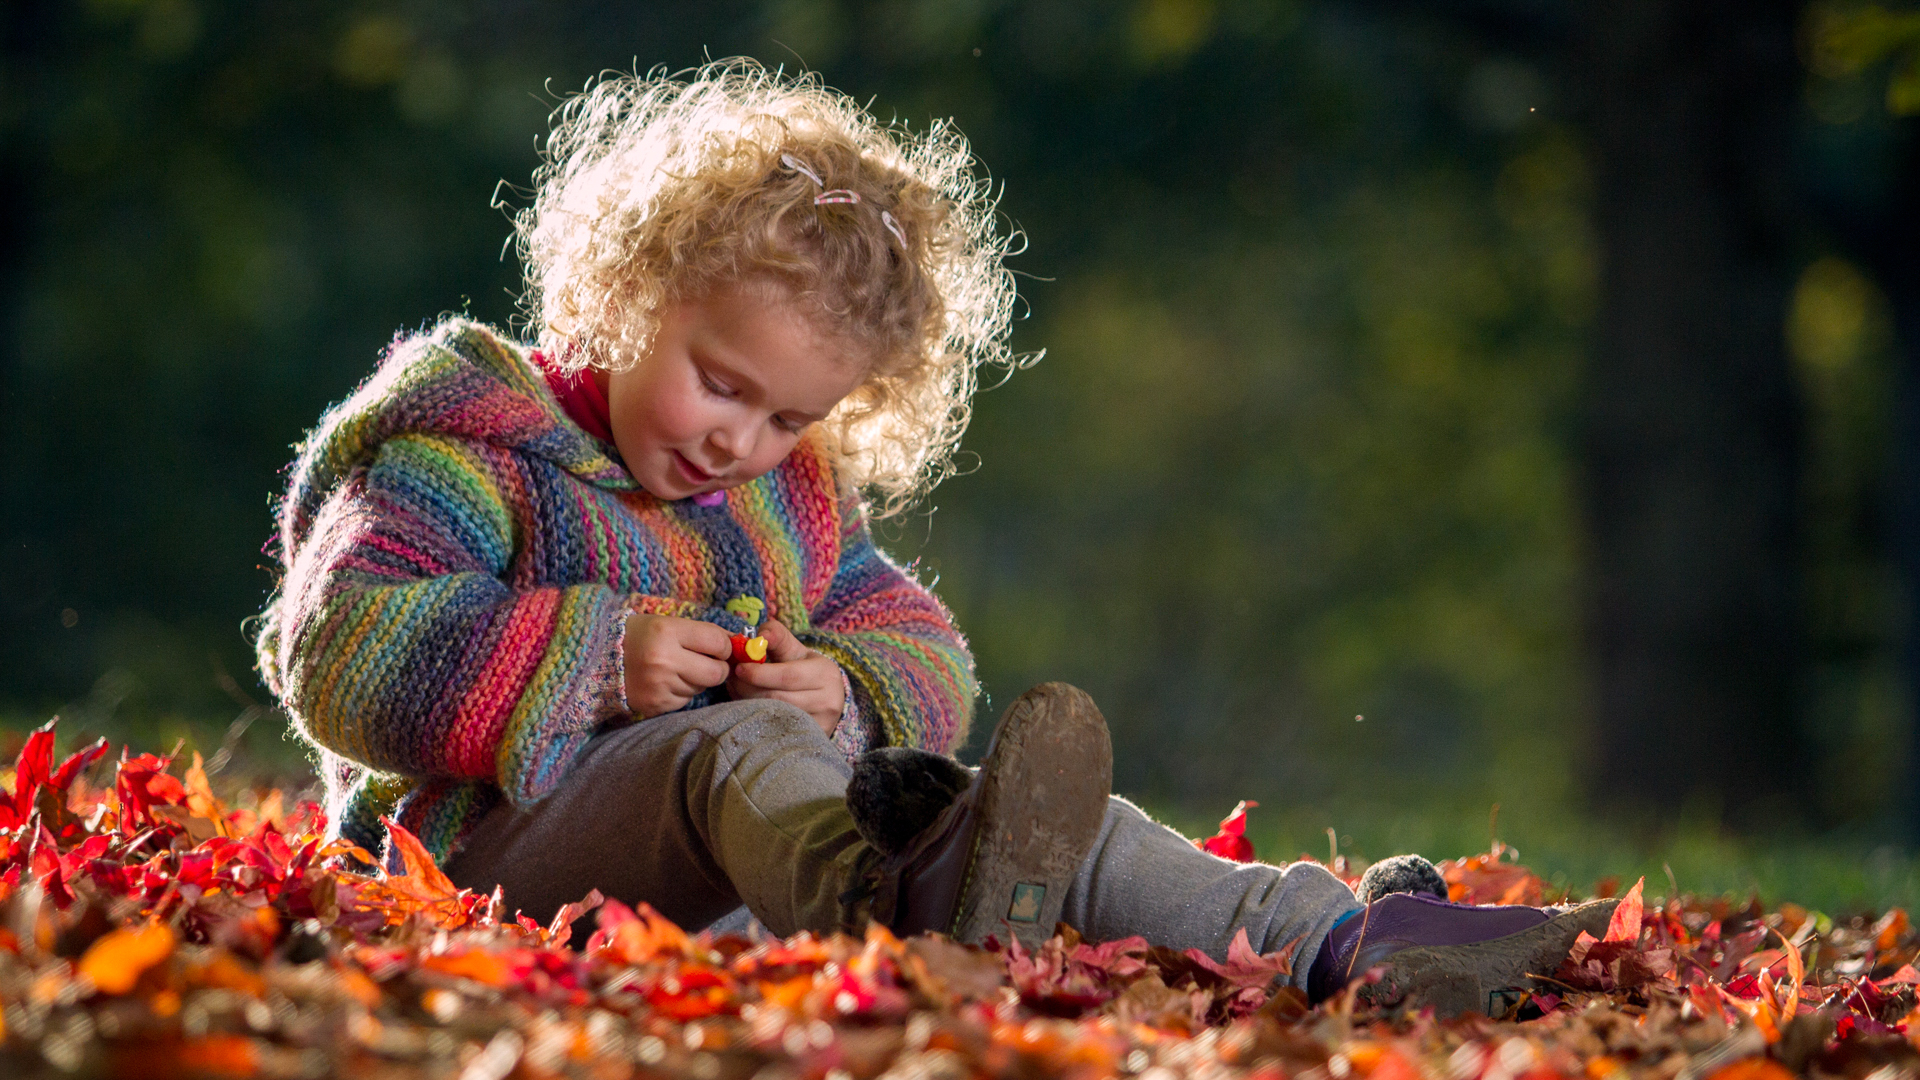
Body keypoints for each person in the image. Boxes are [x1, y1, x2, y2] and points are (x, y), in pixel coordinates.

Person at [255, 60, 1611, 1017]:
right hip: (491, 862)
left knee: (1032, 817)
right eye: (721, 384)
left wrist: (842, 685)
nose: (739, 442)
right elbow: (340, 648)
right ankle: (879, 902)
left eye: (788, 416)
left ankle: (1341, 941)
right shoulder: (474, 449)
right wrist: (603, 659)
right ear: (628, 292)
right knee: (733, 750)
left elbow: (917, 643)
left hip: (729, 874)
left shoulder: (780, 507)